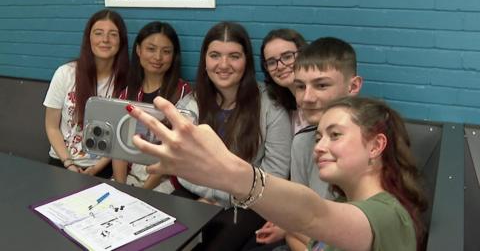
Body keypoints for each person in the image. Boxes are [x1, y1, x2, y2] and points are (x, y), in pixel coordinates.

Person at [125, 95, 428, 251]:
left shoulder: (389, 215)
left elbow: (314, 215)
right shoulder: (353, 210)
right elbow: (313, 228)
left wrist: (228, 172)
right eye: (318, 137)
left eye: (335, 135)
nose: (319, 146)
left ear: (376, 145)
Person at [173, 21, 293, 250]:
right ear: (205, 61)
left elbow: (275, 175)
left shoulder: (271, 106)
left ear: (246, 61)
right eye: (215, 55)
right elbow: (181, 166)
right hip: (196, 194)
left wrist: (224, 198)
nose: (224, 64)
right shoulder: (190, 105)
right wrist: (211, 196)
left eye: (234, 56)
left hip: (250, 204)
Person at [248, 37, 364, 251]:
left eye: (321, 85)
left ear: (353, 86)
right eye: (300, 86)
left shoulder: (369, 146)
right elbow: (297, 220)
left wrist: (296, 231)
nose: (307, 98)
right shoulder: (302, 142)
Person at [44, 9, 128, 178]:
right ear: (89, 38)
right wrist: (68, 164)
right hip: (62, 162)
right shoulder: (65, 73)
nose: (105, 40)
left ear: (121, 41)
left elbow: (122, 136)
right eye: (98, 33)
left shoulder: (127, 81)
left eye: (113, 34)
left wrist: (96, 168)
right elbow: (52, 126)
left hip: (103, 167)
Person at [112, 21, 191, 193]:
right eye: (151, 49)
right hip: (129, 176)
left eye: (166, 51)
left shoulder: (184, 94)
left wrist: (143, 191)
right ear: (139, 50)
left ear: (174, 56)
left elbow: (176, 151)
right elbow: (119, 149)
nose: (158, 57)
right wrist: (121, 186)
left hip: (165, 179)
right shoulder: (126, 94)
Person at [260, 28, 308, 134]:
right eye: (271, 62)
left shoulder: (319, 104)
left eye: (287, 57)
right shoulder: (288, 110)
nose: (280, 66)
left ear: (303, 54)